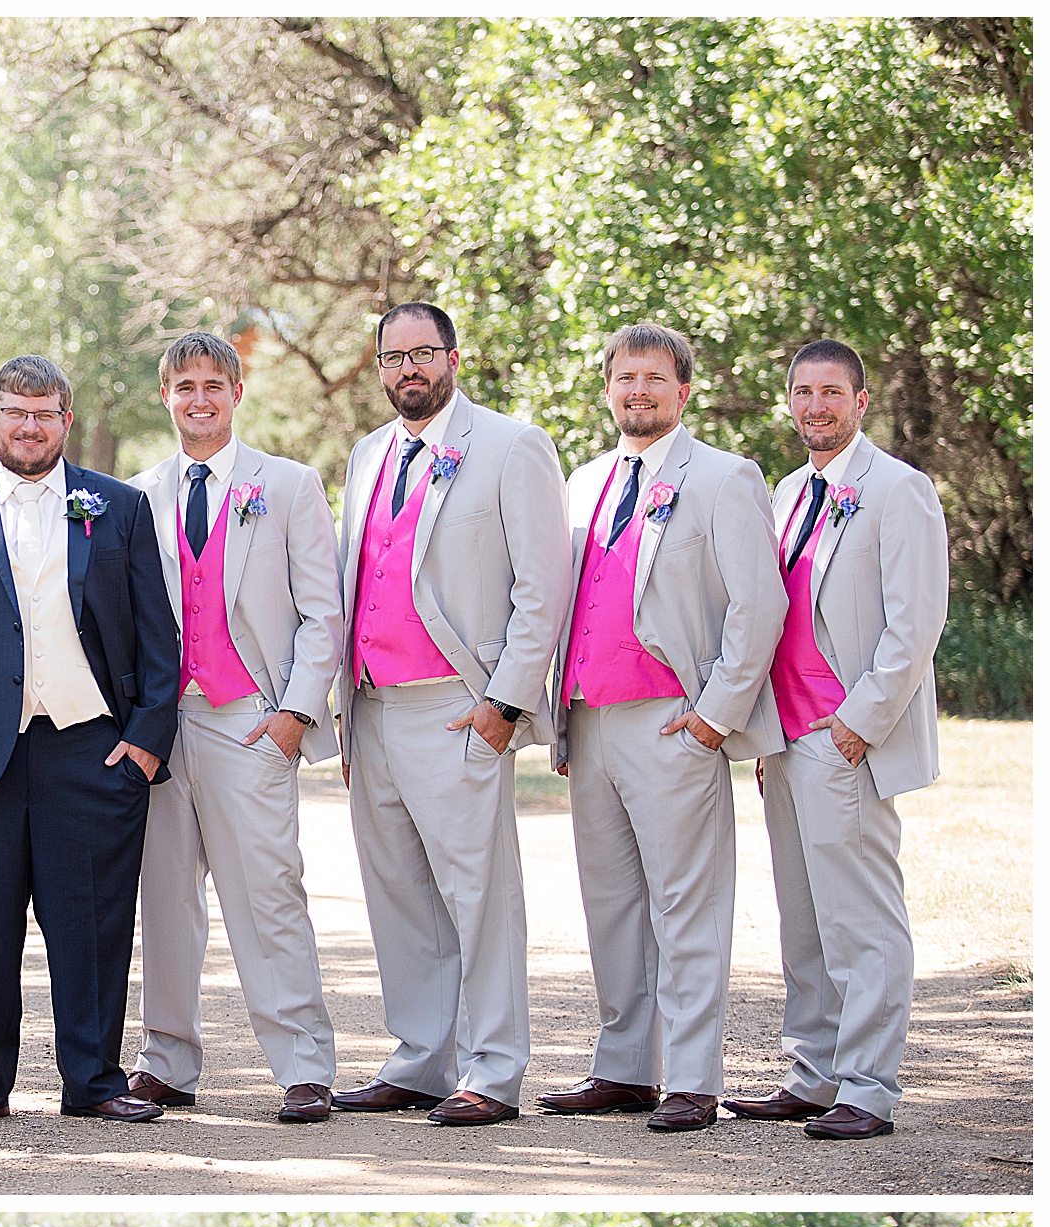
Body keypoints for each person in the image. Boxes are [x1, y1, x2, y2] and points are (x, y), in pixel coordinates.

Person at [0, 353, 181, 1125]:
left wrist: (148, 739)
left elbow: (158, 633)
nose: (29, 426)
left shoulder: (117, 507)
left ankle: (94, 1081)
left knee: (92, 928)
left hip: (92, 751)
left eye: (44, 413)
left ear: (66, 420)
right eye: (15, 412)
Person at [331, 301, 569, 1128]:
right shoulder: (367, 455)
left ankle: (494, 1069)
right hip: (371, 707)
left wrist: (505, 701)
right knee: (397, 892)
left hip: (459, 706)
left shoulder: (511, 446)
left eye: (422, 353)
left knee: (478, 893)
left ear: (455, 358)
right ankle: (420, 1058)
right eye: (392, 357)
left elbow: (544, 588)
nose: (407, 369)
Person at [544, 322, 786, 1133]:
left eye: (654, 378)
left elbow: (761, 605)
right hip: (590, 717)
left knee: (686, 903)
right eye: (624, 377)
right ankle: (623, 1068)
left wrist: (716, 716)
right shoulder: (580, 483)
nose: (637, 390)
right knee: (611, 903)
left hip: (673, 721)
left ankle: (690, 1076)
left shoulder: (724, 477)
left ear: (683, 390)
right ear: (607, 388)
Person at [724, 344, 950, 1141]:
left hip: (846, 735)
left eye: (830, 392)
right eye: (802, 393)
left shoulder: (898, 490)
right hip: (785, 739)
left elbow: (914, 624)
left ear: (861, 400)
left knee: (862, 920)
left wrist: (862, 721)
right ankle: (811, 1073)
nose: (815, 406)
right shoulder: (788, 492)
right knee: (804, 920)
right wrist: (761, 731)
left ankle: (868, 1086)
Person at [126, 330, 343, 1123]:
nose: (200, 400)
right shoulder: (135, 493)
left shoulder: (286, 485)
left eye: (213, 384)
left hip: (251, 717)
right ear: (167, 398)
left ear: (237, 393)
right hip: (161, 724)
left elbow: (323, 611)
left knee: (269, 891)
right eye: (185, 387)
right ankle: (167, 1061)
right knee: (164, 897)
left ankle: (304, 1065)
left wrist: (294, 712)